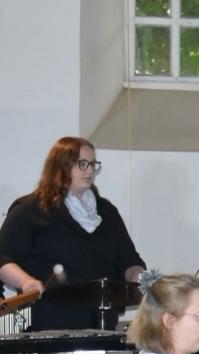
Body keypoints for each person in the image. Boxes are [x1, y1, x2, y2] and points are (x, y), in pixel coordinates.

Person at [0, 136, 146, 330]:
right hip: (49, 326)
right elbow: (3, 258)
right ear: (60, 166)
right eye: (82, 164)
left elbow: (129, 260)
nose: (90, 171)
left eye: (93, 164)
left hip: (102, 326)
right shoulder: (31, 209)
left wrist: (143, 279)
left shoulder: (106, 212)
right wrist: (26, 281)